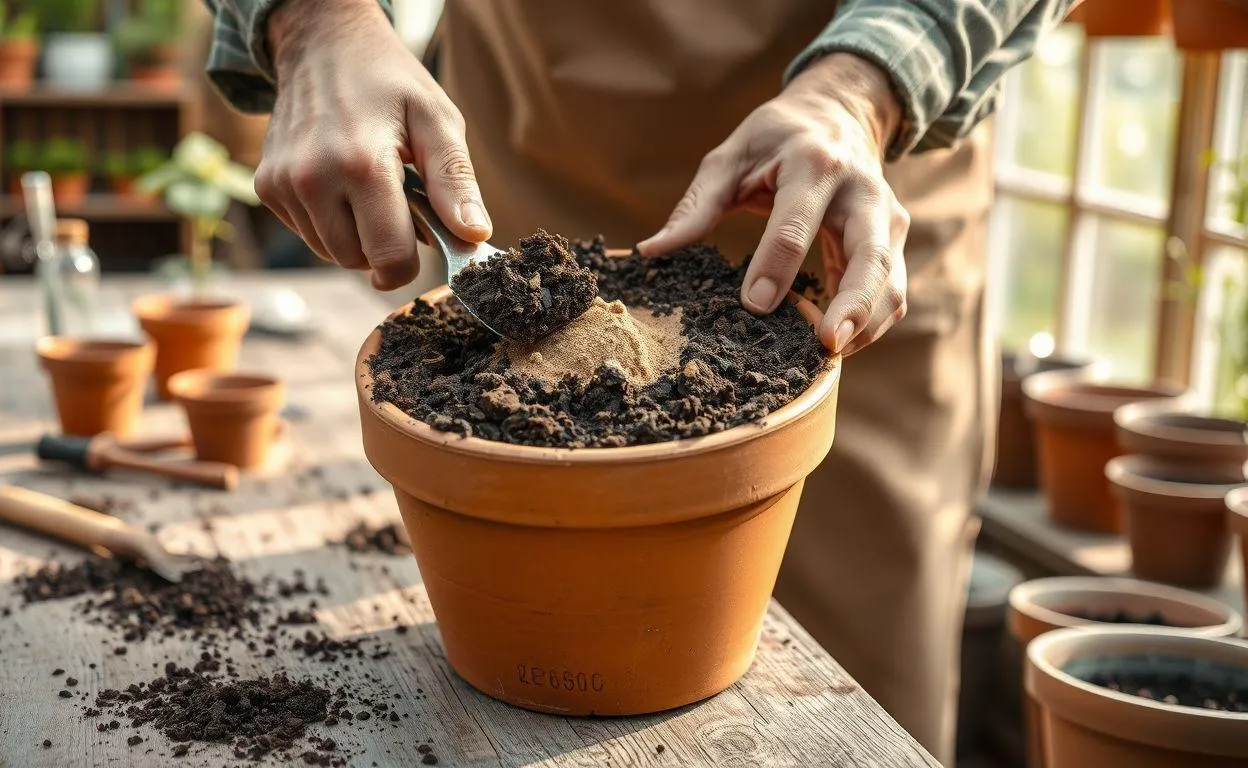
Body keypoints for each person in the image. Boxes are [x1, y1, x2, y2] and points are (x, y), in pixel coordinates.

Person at [204, 0, 1072, 761]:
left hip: (843, 204)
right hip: (529, 149)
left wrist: (864, 87)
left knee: (854, 722)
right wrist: (318, 21)